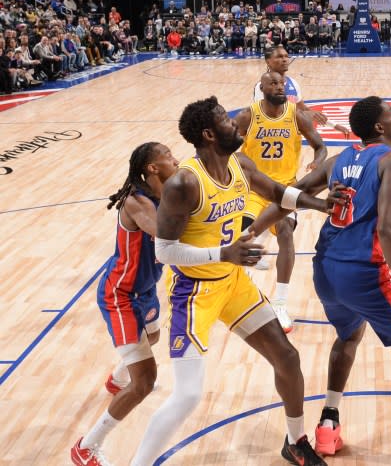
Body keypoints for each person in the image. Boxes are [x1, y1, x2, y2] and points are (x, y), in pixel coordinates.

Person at [248, 97, 391, 465]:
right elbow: (390, 230)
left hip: (325, 269)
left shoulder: (340, 159)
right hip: (364, 273)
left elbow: (289, 196)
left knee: (347, 336)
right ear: (379, 127)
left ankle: (328, 426)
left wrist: (252, 231)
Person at [128, 96, 342, 466]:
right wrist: (222, 254)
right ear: (210, 134)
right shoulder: (184, 183)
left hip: (231, 283)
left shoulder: (239, 163)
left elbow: (277, 191)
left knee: (287, 359)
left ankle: (295, 442)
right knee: (188, 396)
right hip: (194, 293)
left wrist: (320, 204)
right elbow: (164, 251)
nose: (235, 125)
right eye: (225, 122)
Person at [71, 143, 179, 466]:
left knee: (154, 337)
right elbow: (163, 233)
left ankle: (117, 378)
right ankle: (86, 447)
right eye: (168, 155)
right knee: (144, 382)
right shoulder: (135, 202)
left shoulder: (162, 194)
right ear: (152, 168)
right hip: (121, 296)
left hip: (144, 290)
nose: (175, 158)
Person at [237, 70, 327, 332]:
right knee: (242, 235)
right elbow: (225, 149)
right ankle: (240, 291)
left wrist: (316, 162)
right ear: (261, 89)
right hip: (253, 190)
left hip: (285, 189)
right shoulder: (247, 116)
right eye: (272, 84)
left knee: (285, 232)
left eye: (281, 83)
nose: (279, 87)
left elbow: (320, 146)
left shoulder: (296, 115)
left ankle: (280, 303)